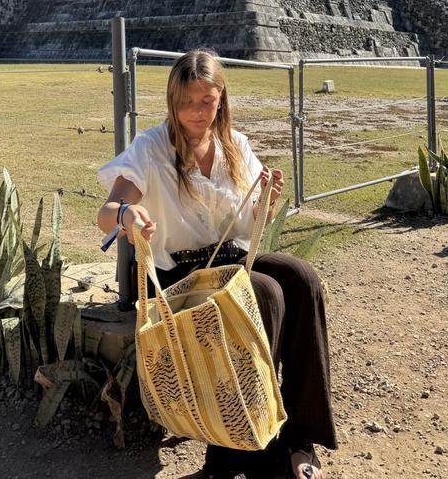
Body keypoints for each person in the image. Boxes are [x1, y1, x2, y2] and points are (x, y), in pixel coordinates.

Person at [98, 49, 337, 479]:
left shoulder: (236, 146)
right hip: (180, 276)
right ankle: (255, 451)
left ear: (221, 97)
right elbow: (108, 209)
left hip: (230, 260)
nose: (196, 112)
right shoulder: (150, 148)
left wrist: (266, 200)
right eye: (186, 102)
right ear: (172, 101)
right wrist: (127, 216)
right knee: (264, 293)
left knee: (302, 279)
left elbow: (248, 225)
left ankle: (299, 437)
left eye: (206, 101)